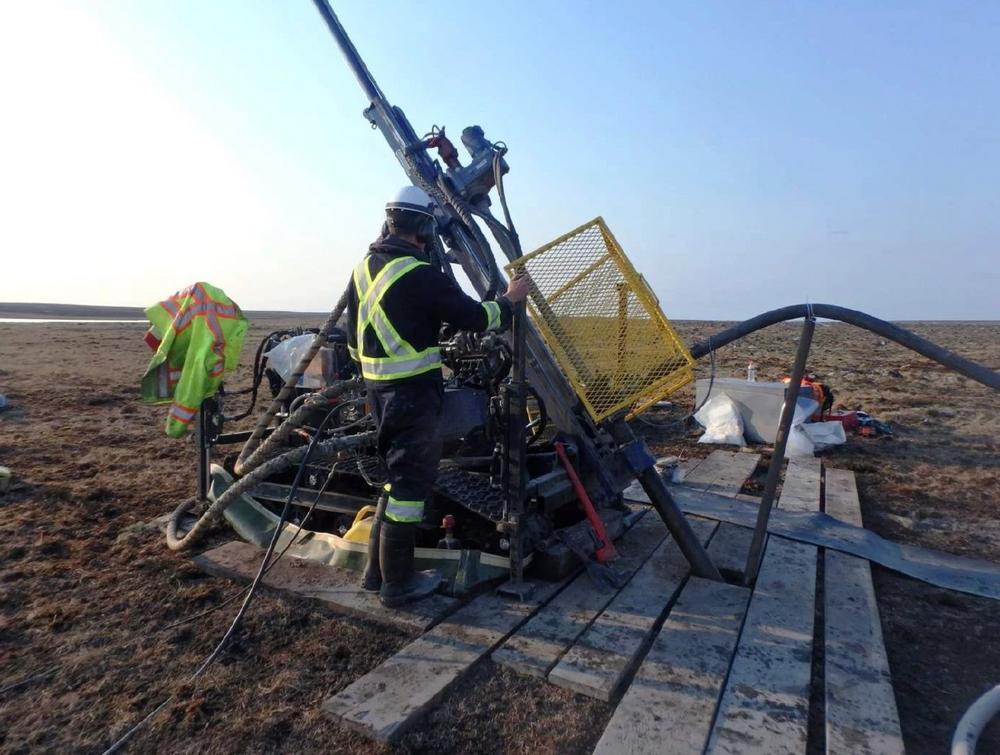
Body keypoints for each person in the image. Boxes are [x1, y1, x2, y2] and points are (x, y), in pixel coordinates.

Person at [347, 185, 530, 607]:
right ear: (425, 227)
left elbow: (354, 344)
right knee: (410, 489)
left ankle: (376, 575)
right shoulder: (419, 273)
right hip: (412, 395)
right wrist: (510, 300)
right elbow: (476, 317)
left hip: (379, 393)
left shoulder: (363, 270)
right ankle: (398, 585)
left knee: (395, 480)